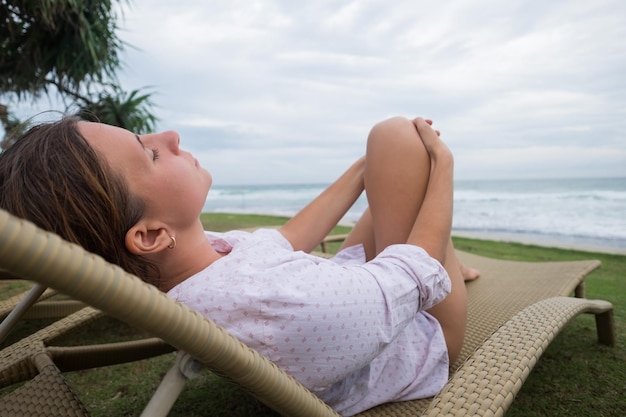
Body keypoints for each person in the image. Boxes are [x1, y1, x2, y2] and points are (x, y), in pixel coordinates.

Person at [0, 115, 478, 416]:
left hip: (364, 288)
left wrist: (370, 167)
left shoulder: (198, 266)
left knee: (392, 155)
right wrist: (442, 168)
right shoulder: (277, 306)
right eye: (149, 152)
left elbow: (287, 240)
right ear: (149, 235)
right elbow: (414, 274)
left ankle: (445, 242)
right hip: (421, 337)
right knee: (398, 139)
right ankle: (456, 261)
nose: (170, 135)